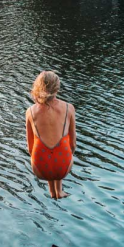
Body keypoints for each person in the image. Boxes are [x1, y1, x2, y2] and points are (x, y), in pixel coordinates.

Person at [26, 71, 76, 199]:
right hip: (63, 166)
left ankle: (53, 192)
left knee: (42, 144)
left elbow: (30, 148)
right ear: (57, 88)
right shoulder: (69, 108)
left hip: (40, 168)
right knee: (62, 143)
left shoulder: (30, 111)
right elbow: (73, 145)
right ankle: (59, 191)